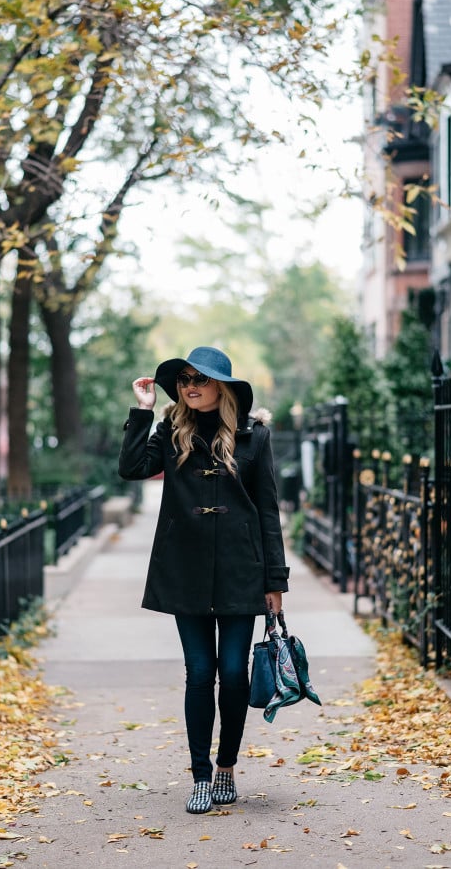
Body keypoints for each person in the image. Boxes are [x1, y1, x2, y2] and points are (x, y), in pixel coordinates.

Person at [118, 346, 289, 814]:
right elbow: (132, 468)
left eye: (202, 378)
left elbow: (268, 511)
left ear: (222, 387)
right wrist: (142, 410)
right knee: (200, 673)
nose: (191, 385)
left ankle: (226, 767)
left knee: (234, 674)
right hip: (185, 569)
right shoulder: (171, 432)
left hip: (241, 570)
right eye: (186, 378)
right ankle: (198, 776)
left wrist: (275, 580)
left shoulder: (255, 436)